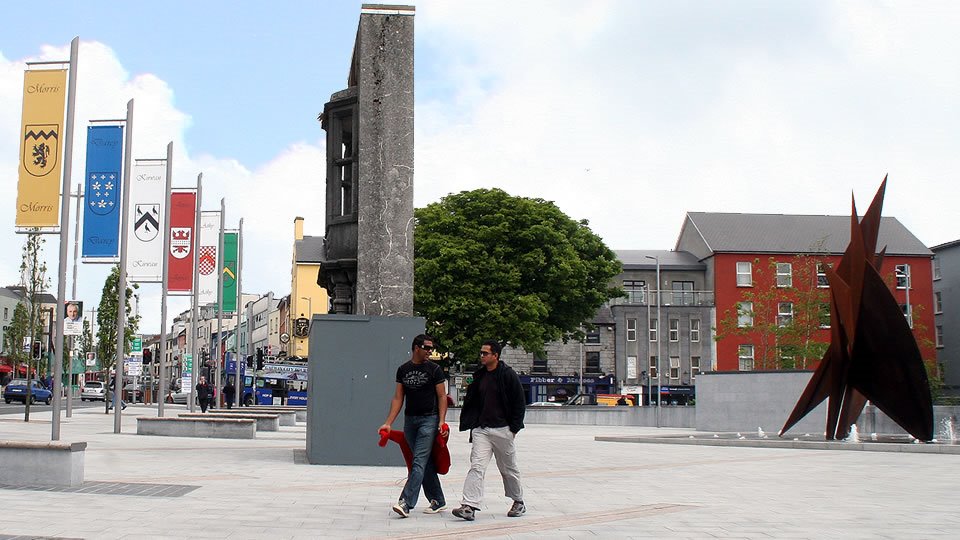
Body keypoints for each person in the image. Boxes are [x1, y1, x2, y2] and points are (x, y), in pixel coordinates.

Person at [452, 340, 526, 521]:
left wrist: (513, 429)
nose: (482, 356)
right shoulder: (479, 376)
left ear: (496, 356)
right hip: (482, 430)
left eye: (485, 353)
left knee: (508, 468)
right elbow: (472, 402)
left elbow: (519, 402)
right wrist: (473, 424)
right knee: (477, 467)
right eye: (481, 353)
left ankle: (518, 501)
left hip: (503, 430)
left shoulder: (508, 375)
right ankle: (469, 506)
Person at [379, 334, 449, 518]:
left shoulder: (435, 370)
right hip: (410, 421)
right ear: (416, 348)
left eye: (431, 348)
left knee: (418, 461)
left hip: (429, 419)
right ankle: (438, 499)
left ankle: (406, 502)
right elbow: (398, 398)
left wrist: (441, 421)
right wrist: (388, 423)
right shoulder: (403, 369)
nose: (429, 351)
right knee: (423, 462)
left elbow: (442, 396)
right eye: (426, 348)